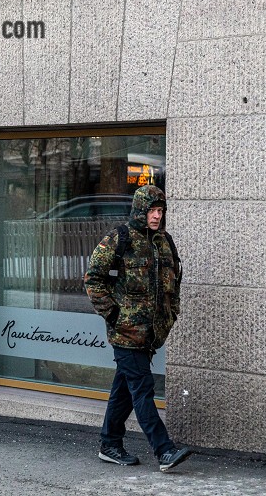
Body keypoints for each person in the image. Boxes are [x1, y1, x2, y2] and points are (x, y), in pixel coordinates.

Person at [84, 184, 192, 472]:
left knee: (124, 390)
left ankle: (109, 444)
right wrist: (114, 314)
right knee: (142, 389)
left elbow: (174, 283)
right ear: (140, 210)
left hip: (151, 335)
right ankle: (164, 450)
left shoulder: (164, 242)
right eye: (151, 210)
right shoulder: (120, 238)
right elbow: (93, 278)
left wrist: (172, 314)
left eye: (160, 211)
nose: (156, 216)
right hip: (126, 334)